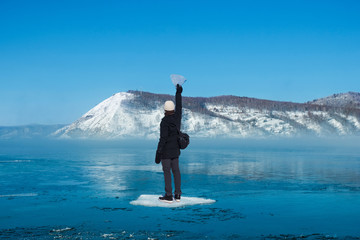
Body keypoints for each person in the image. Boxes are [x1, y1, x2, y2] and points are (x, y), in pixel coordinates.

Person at [155, 84, 183, 203]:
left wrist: (158, 153)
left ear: (165, 110)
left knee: (167, 172)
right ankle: (177, 195)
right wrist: (178, 93)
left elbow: (163, 139)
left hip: (166, 152)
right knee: (176, 171)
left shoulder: (164, 121)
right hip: (176, 150)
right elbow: (180, 106)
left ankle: (168, 195)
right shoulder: (177, 118)